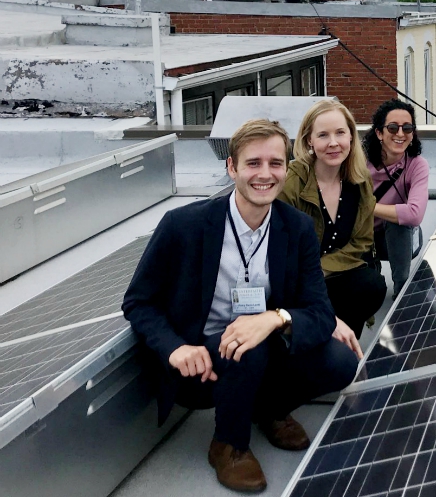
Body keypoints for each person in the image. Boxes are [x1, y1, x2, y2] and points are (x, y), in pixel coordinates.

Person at [122, 119, 362, 492]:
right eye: (253, 163)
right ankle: (229, 444)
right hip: (200, 363)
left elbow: (318, 310)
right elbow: (139, 302)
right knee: (244, 349)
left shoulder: (296, 228)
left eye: (275, 163)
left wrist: (273, 318)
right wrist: (175, 348)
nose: (265, 174)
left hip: (263, 348)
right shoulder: (182, 225)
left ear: (286, 167)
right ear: (232, 167)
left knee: (341, 362)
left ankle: (269, 410)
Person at [279, 99, 387, 341]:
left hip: (335, 274)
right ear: (309, 140)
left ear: (351, 135)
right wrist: (312, 274)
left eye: (340, 132)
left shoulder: (360, 181)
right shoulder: (292, 183)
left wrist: (323, 268)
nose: (333, 143)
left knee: (371, 285)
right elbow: (281, 246)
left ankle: (343, 345)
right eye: (323, 135)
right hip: (299, 280)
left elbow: (361, 242)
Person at [362, 99, 430, 299]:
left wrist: (369, 207)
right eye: (392, 128)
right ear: (379, 133)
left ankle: (402, 291)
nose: (400, 134)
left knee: (399, 222)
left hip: (401, 242)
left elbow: (415, 214)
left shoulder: (417, 165)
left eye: (407, 128)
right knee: (368, 289)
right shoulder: (359, 162)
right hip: (361, 237)